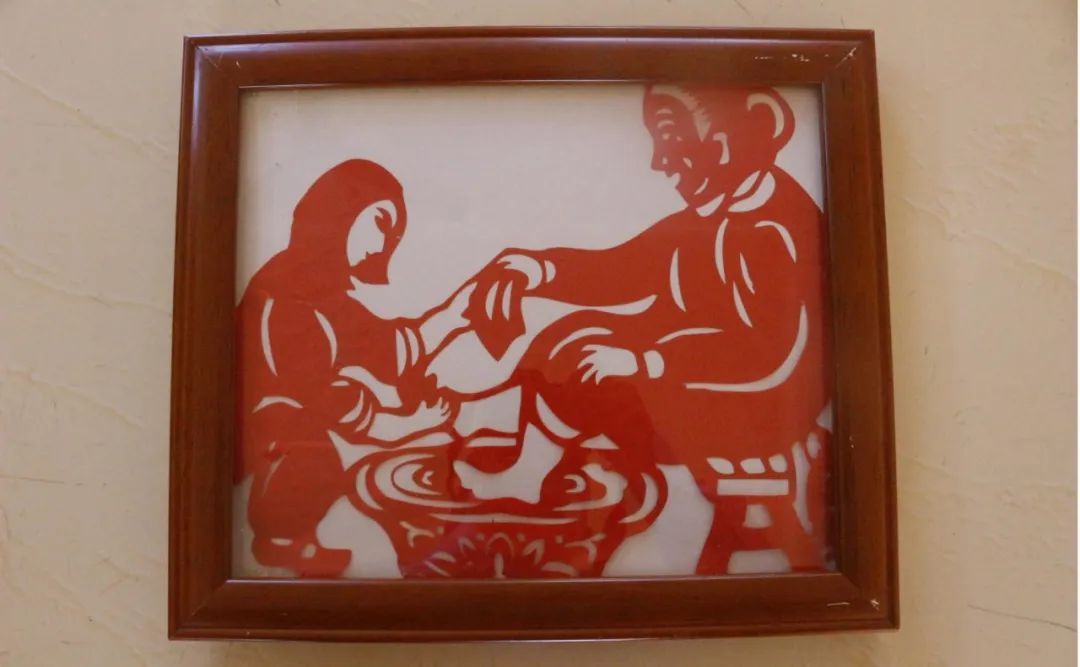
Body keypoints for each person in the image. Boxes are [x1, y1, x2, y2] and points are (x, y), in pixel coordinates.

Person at [465, 85, 833, 573]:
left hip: (757, 401)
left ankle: (636, 494)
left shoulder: (777, 230)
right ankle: (531, 467)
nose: (660, 161)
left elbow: (768, 351)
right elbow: (621, 270)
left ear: (744, 134)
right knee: (570, 338)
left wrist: (646, 361)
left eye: (673, 139)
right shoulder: (704, 222)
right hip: (694, 369)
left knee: (609, 376)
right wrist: (540, 270)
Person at [236, 159, 470, 576]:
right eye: (380, 222)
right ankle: (281, 540)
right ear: (337, 213)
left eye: (393, 232)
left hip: (302, 423)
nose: (383, 244)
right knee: (314, 447)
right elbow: (318, 394)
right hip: (259, 436)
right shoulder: (283, 291)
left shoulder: (323, 291)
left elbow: (381, 346)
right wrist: (400, 425)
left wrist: (453, 317)